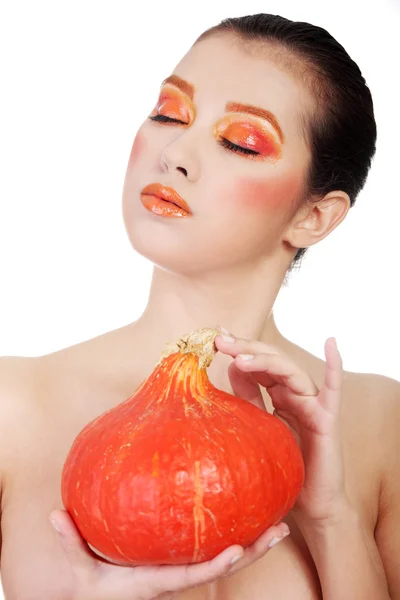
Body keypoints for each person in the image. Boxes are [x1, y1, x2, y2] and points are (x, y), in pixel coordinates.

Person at [0, 11, 399, 600]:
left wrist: (330, 517)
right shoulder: (13, 408)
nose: (175, 153)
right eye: (168, 113)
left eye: (241, 141)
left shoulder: (383, 421)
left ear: (315, 217)